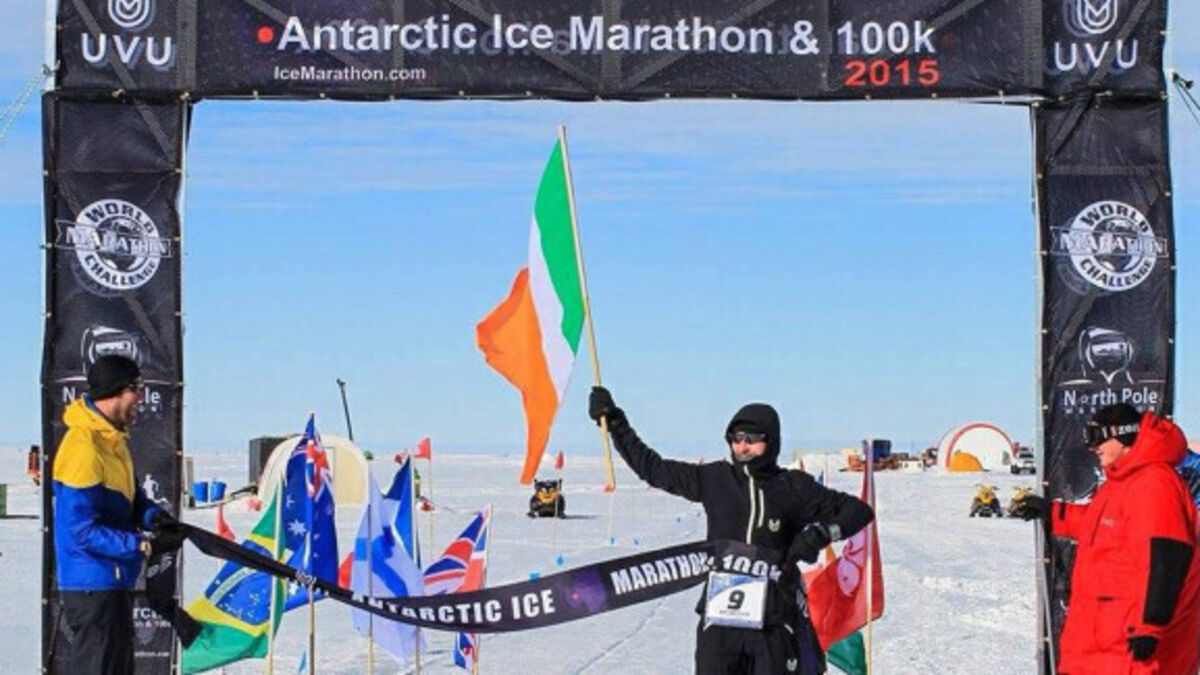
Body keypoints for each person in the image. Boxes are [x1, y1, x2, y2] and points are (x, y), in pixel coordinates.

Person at [588, 386, 874, 674]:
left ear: (772, 441)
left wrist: (821, 534)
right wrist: (617, 424)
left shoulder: (794, 487)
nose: (743, 447)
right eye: (737, 439)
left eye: (752, 440)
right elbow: (653, 469)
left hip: (774, 621)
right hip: (720, 621)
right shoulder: (714, 479)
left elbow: (859, 511)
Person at [1015, 403, 1200, 674]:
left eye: (1097, 437)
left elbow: (1166, 555)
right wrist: (1053, 513)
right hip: (1103, 636)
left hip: (1130, 643)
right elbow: (1103, 526)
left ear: (1123, 436)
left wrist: (1150, 626)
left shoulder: (1153, 483)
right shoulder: (1124, 481)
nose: (1093, 447)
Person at [52, 355, 187, 674]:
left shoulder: (111, 441)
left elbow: (131, 499)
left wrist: (154, 518)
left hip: (112, 583)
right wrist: (140, 545)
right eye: (136, 388)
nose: (141, 397)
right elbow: (81, 531)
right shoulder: (84, 448)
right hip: (92, 585)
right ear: (116, 390)